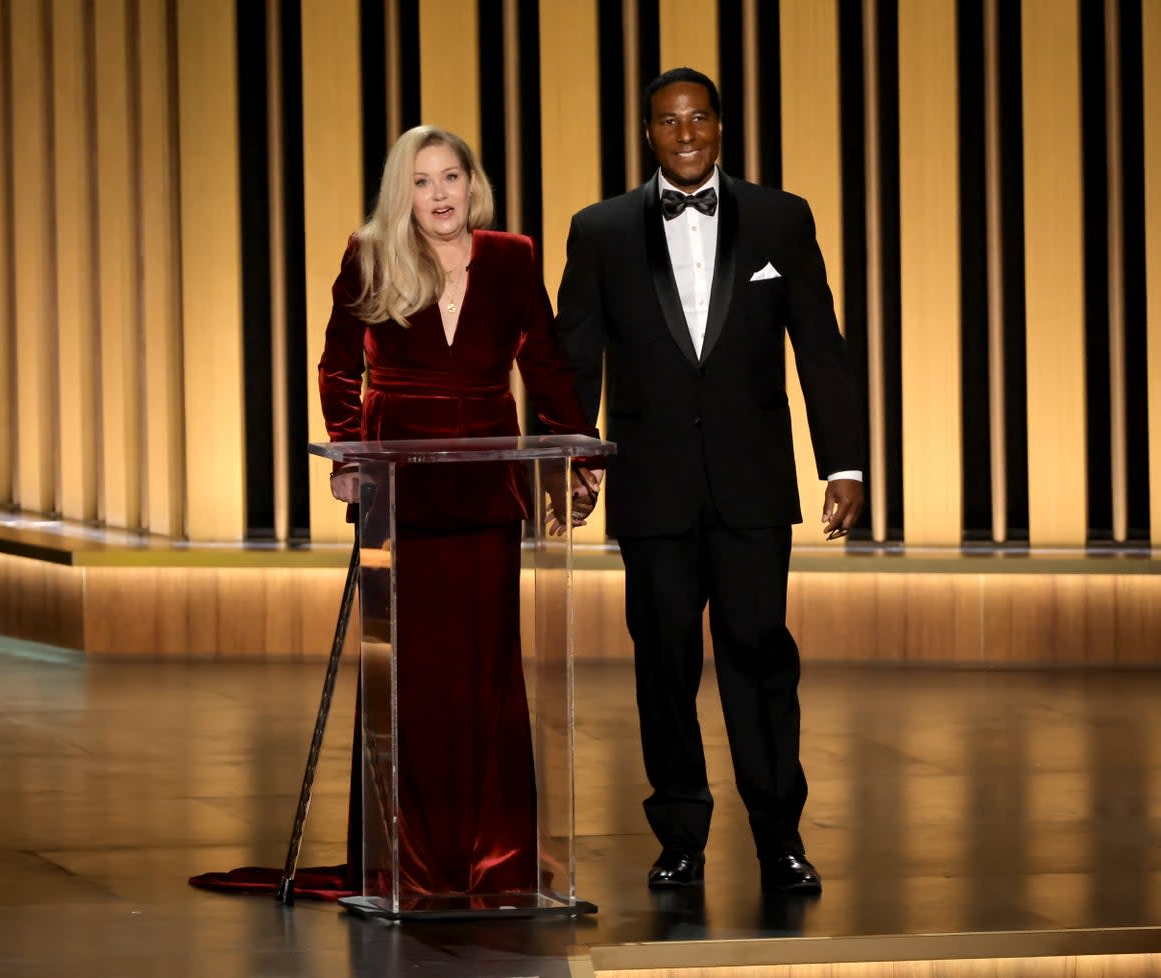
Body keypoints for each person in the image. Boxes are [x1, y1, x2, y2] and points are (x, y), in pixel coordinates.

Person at [190, 125, 598, 901]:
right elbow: (338, 366)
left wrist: (574, 451)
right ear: (399, 193)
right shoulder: (370, 253)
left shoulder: (511, 256)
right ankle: (401, 858)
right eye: (421, 182)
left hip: (486, 485)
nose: (439, 195)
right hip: (398, 489)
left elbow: (542, 361)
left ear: (472, 184)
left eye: (451, 178)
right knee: (406, 672)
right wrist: (350, 455)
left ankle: (492, 855)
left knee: (484, 672)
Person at [554, 68, 864, 894]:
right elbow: (572, 362)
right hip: (650, 488)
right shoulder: (601, 229)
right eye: (667, 121)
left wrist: (843, 462)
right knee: (662, 664)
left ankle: (778, 839)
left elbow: (820, 350)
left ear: (721, 127)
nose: (684, 134)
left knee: (761, 658)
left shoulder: (781, 218)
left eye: (698, 119)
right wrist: (573, 461)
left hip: (753, 486)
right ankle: (680, 837)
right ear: (646, 133)